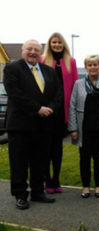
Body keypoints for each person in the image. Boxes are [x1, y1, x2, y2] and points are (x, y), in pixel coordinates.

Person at [3, 39, 62, 209]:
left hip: (43, 126)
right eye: (29, 49)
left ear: (41, 53)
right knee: (19, 162)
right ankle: (20, 194)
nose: (33, 52)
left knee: (40, 161)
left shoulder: (49, 71)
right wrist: (37, 109)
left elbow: (58, 93)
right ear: (23, 50)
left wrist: (50, 108)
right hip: (20, 125)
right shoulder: (12, 69)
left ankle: (38, 192)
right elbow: (15, 93)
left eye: (37, 49)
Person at [68, 55, 99, 198]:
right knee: (84, 159)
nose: (93, 67)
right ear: (86, 67)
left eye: (95, 64)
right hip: (84, 129)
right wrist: (73, 128)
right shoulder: (78, 84)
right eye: (90, 65)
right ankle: (86, 187)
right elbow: (72, 106)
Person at [41, 32, 79, 194]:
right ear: (49, 44)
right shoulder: (42, 60)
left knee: (58, 148)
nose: (57, 45)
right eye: (54, 42)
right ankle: (47, 180)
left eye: (59, 42)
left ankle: (56, 179)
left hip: (63, 111)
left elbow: (76, 86)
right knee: (45, 148)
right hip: (47, 111)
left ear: (64, 44)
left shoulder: (71, 62)